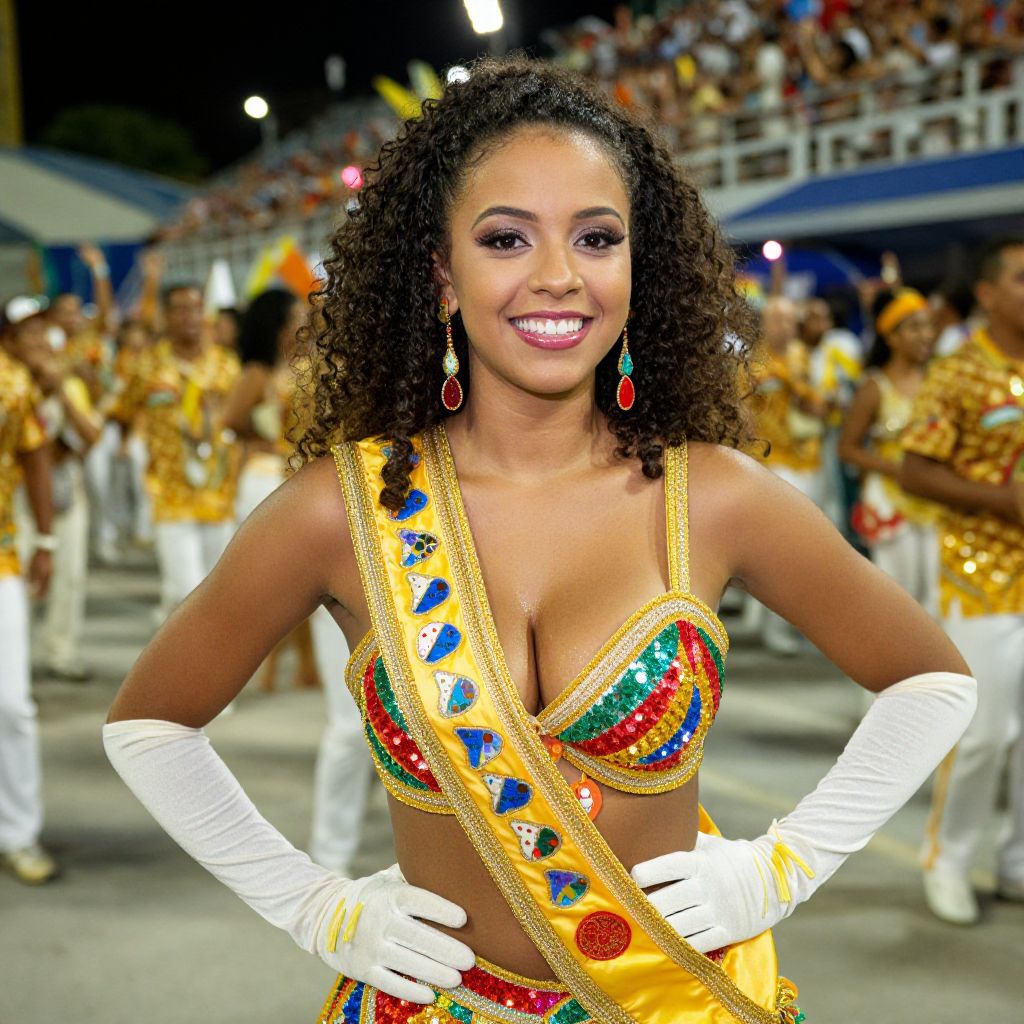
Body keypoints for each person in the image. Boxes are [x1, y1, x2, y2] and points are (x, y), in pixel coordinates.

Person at [104, 59, 976, 1023]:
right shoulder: (337, 509)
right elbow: (150, 726)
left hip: (674, 999)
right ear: (443, 271)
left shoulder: (714, 495)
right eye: (507, 238)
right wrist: (315, 908)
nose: (558, 276)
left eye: (597, 238)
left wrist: (779, 870)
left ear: (637, 266)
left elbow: (930, 680)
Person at [901, 236, 1024, 926]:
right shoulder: (958, 372)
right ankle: (948, 859)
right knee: (983, 734)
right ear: (988, 293)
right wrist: (1003, 502)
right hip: (982, 575)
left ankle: (1016, 862)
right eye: (1022, 279)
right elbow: (916, 468)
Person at [107, 284, 241, 619]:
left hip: (217, 493)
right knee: (188, 594)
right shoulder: (148, 366)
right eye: (180, 309)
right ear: (165, 317)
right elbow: (122, 411)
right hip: (170, 493)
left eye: (195, 308)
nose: (189, 317)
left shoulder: (226, 366)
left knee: (219, 592)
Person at [8, 301, 104, 680]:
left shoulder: (69, 382)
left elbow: (91, 435)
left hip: (65, 489)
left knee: (69, 575)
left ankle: (61, 652)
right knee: (18, 580)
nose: (38, 341)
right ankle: (16, 659)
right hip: (17, 493)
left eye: (41, 332)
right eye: (27, 333)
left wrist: (61, 390)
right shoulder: (8, 383)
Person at [0, 297, 58, 884]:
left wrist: (47, 540)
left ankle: (19, 833)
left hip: (2, 559)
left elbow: (36, 456)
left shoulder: (13, 383)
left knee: (11, 703)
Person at [839, 288, 939, 613]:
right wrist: (897, 470)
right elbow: (848, 449)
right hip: (890, 502)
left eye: (928, 326)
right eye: (914, 328)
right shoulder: (874, 386)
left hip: (938, 499)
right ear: (892, 338)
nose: (926, 335)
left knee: (937, 597)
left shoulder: (939, 382)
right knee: (901, 600)